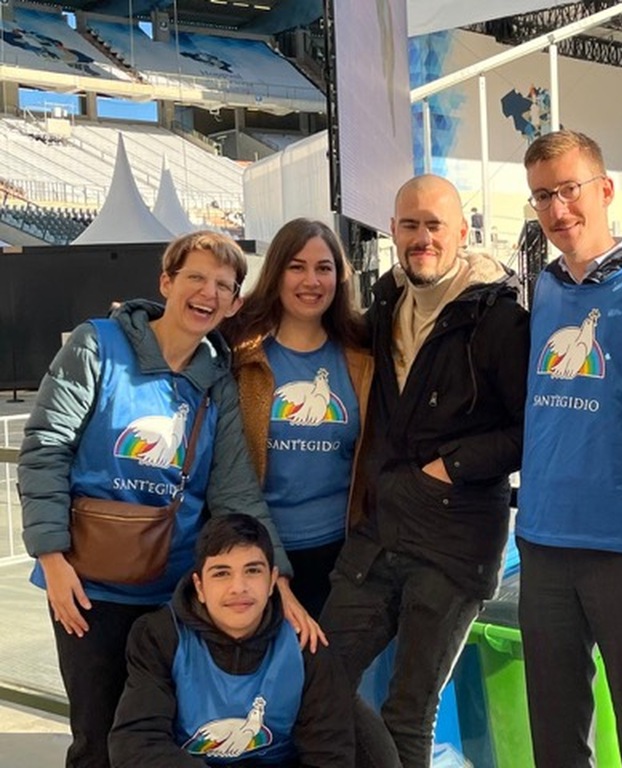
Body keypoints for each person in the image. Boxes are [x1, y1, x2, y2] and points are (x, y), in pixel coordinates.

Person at [18, 231, 319, 768]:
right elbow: (46, 448)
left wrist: (281, 580)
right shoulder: (97, 346)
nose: (207, 292)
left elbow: (235, 492)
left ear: (234, 304)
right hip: (87, 586)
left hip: (170, 591)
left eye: (222, 285)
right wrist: (51, 557)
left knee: (159, 738)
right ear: (166, 282)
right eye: (195, 277)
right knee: (96, 733)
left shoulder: (217, 384)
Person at [319, 174, 530, 768]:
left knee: (408, 712)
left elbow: (529, 431)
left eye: (434, 225)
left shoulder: (500, 318)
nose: (422, 238)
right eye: (409, 225)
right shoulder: (386, 303)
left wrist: (450, 468)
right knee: (317, 676)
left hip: (454, 539)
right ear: (392, 231)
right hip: (382, 529)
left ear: (462, 232)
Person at [516, 129, 622, 768]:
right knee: (555, 734)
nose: (558, 210)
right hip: (543, 536)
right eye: (542, 197)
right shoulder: (544, 289)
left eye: (569, 190)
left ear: (606, 189)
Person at [108, 514, 399, 767]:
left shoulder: (305, 646)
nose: (239, 587)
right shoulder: (160, 636)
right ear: (199, 587)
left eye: (253, 571)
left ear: (273, 580)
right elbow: (136, 743)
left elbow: (329, 757)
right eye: (221, 573)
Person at [222, 218, 371, 619]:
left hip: (339, 556)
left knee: (328, 677)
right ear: (276, 273)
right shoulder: (240, 354)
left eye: (324, 268)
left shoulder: (362, 356)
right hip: (257, 551)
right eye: (297, 266)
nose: (312, 280)